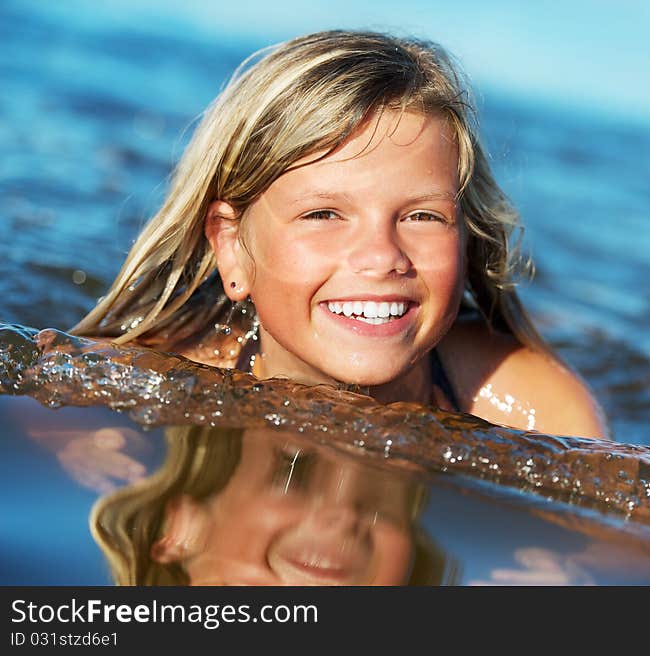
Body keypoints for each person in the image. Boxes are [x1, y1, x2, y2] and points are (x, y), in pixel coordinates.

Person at [71, 30, 607, 439]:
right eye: (323, 214)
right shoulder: (137, 382)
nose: (381, 257)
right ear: (232, 248)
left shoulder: (539, 410)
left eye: (422, 216)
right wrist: (81, 445)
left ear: (466, 241)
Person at [91, 425, 454, 585]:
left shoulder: (190, 361)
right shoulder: (477, 404)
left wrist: (74, 439)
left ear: (179, 530)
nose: (338, 519)